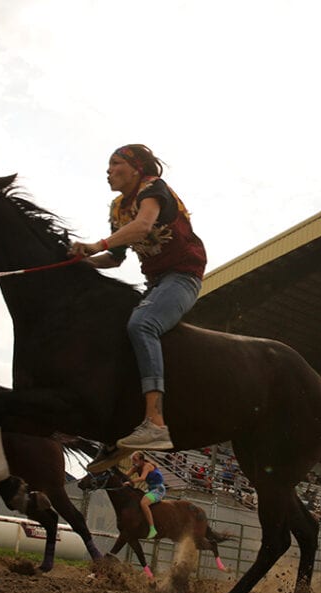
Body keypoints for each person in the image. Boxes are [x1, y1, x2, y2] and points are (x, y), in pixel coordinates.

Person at [71, 144, 206, 462]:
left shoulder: (153, 189)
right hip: (155, 282)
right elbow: (114, 259)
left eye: (115, 163)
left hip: (182, 277)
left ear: (135, 168)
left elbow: (143, 226)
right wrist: (81, 261)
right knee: (118, 333)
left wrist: (94, 245)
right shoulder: (118, 208)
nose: (108, 170)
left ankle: (156, 422)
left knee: (143, 323)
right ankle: (120, 421)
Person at [124, 451, 165, 539]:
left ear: (141, 460)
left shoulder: (147, 466)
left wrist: (131, 482)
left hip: (158, 490)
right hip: (150, 489)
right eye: (133, 460)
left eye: (135, 460)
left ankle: (152, 529)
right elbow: (125, 475)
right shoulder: (136, 467)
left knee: (143, 503)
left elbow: (143, 478)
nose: (133, 462)